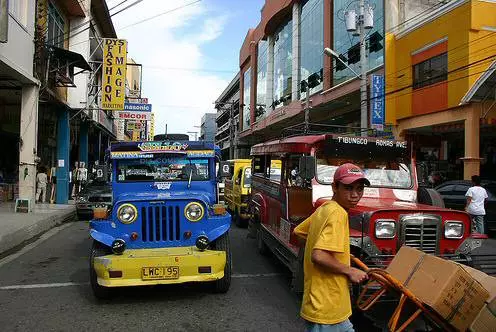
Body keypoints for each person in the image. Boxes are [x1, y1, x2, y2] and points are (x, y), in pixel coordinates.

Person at [294, 163, 370, 332]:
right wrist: (349, 270)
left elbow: (300, 232)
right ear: (334, 187)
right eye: (348, 188)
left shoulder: (326, 208)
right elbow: (319, 256)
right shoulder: (338, 214)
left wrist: (338, 255)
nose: (355, 195)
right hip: (327, 305)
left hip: (323, 302)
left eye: (359, 189)